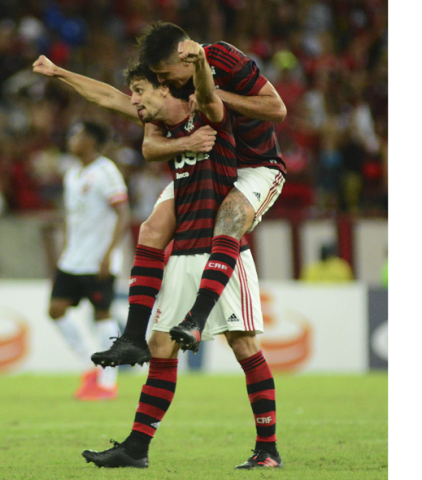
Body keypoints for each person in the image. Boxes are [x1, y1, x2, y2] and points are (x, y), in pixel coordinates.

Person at [33, 20, 287, 366]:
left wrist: (213, 93)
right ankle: (133, 337)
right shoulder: (174, 91)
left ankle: (197, 318)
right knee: (151, 230)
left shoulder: (223, 59)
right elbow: (112, 99)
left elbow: (277, 109)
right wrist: (60, 73)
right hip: (207, 165)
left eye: (165, 75)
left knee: (228, 221)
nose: (163, 83)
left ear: (185, 59)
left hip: (256, 166)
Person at [80, 52, 280, 469]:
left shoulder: (208, 115)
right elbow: (110, 100)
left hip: (223, 253)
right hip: (185, 249)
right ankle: (136, 448)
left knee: (243, 346)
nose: (133, 100)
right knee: (159, 347)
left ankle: (268, 450)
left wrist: (200, 59)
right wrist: (57, 73)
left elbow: (209, 94)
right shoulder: (164, 128)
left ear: (167, 87)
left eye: (140, 91)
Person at [48, 121, 131, 401]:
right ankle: (90, 366)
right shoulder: (72, 175)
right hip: (73, 258)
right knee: (56, 309)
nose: (72, 138)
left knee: (102, 314)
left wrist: (109, 253)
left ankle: (108, 383)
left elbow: (123, 214)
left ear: (92, 141)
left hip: (98, 260)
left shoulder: (106, 171)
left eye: (78, 134)